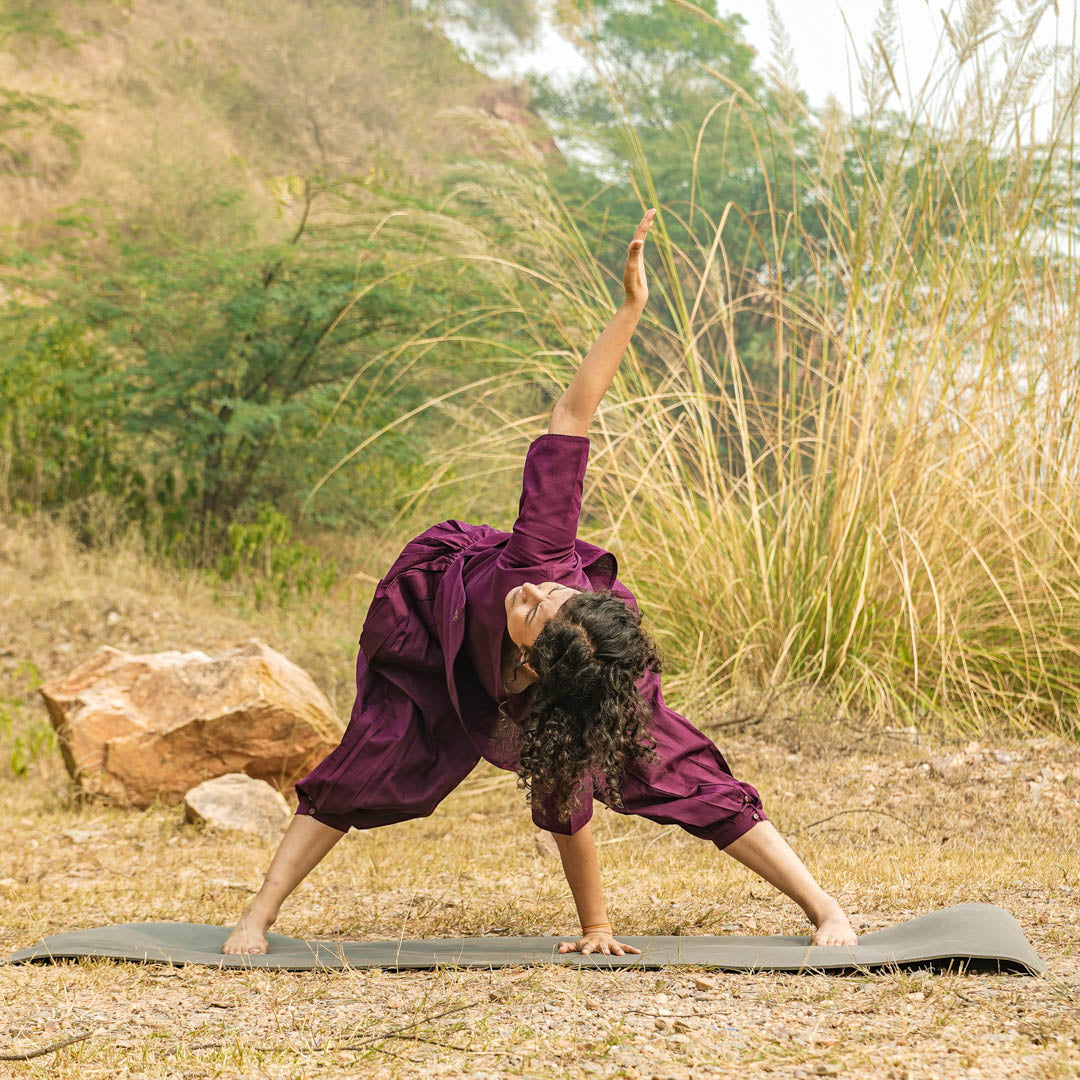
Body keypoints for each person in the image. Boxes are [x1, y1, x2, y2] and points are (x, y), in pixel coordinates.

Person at [222, 208, 857, 956]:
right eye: (554, 594)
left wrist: (597, 932)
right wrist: (631, 309)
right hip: (437, 638)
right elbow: (572, 412)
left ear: (534, 663)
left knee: (680, 774)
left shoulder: (574, 687)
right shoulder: (541, 561)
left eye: (544, 609)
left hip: (581, 686)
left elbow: (568, 801)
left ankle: (824, 908)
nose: (539, 594)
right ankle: (258, 914)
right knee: (367, 765)